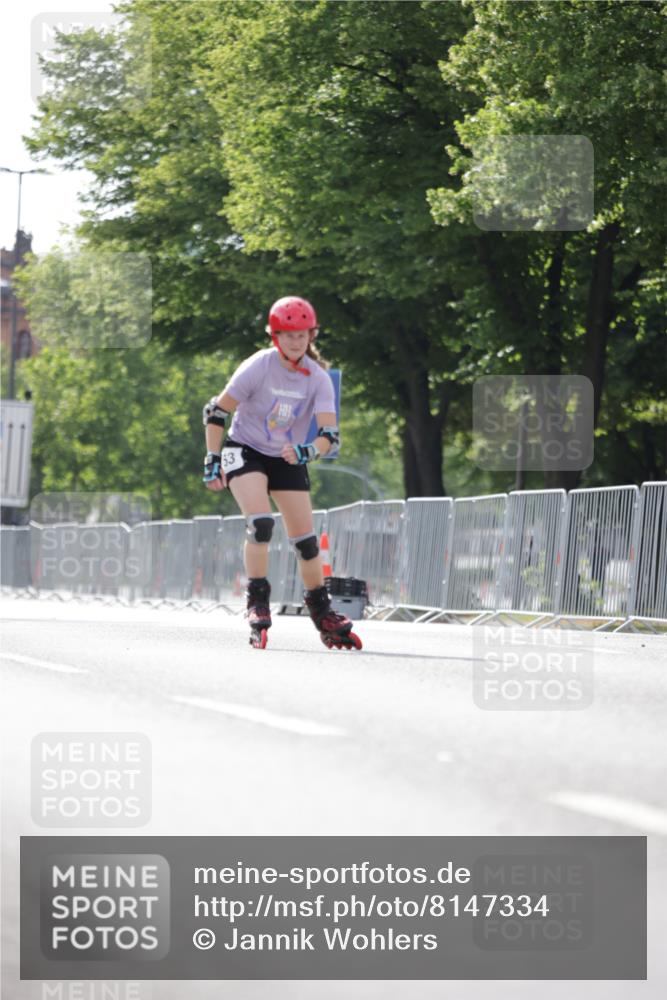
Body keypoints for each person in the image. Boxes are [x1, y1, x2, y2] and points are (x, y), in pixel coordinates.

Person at [202, 295, 362, 650]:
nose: (296, 341)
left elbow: (329, 435)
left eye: (302, 335)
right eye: (288, 335)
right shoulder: (259, 365)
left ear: (311, 336)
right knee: (261, 524)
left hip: (287, 456)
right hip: (245, 449)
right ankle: (257, 600)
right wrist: (212, 457)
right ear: (275, 336)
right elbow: (216, 411)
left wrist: (308, 450)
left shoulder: (317, 378)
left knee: (306, 542)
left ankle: (322, 611)